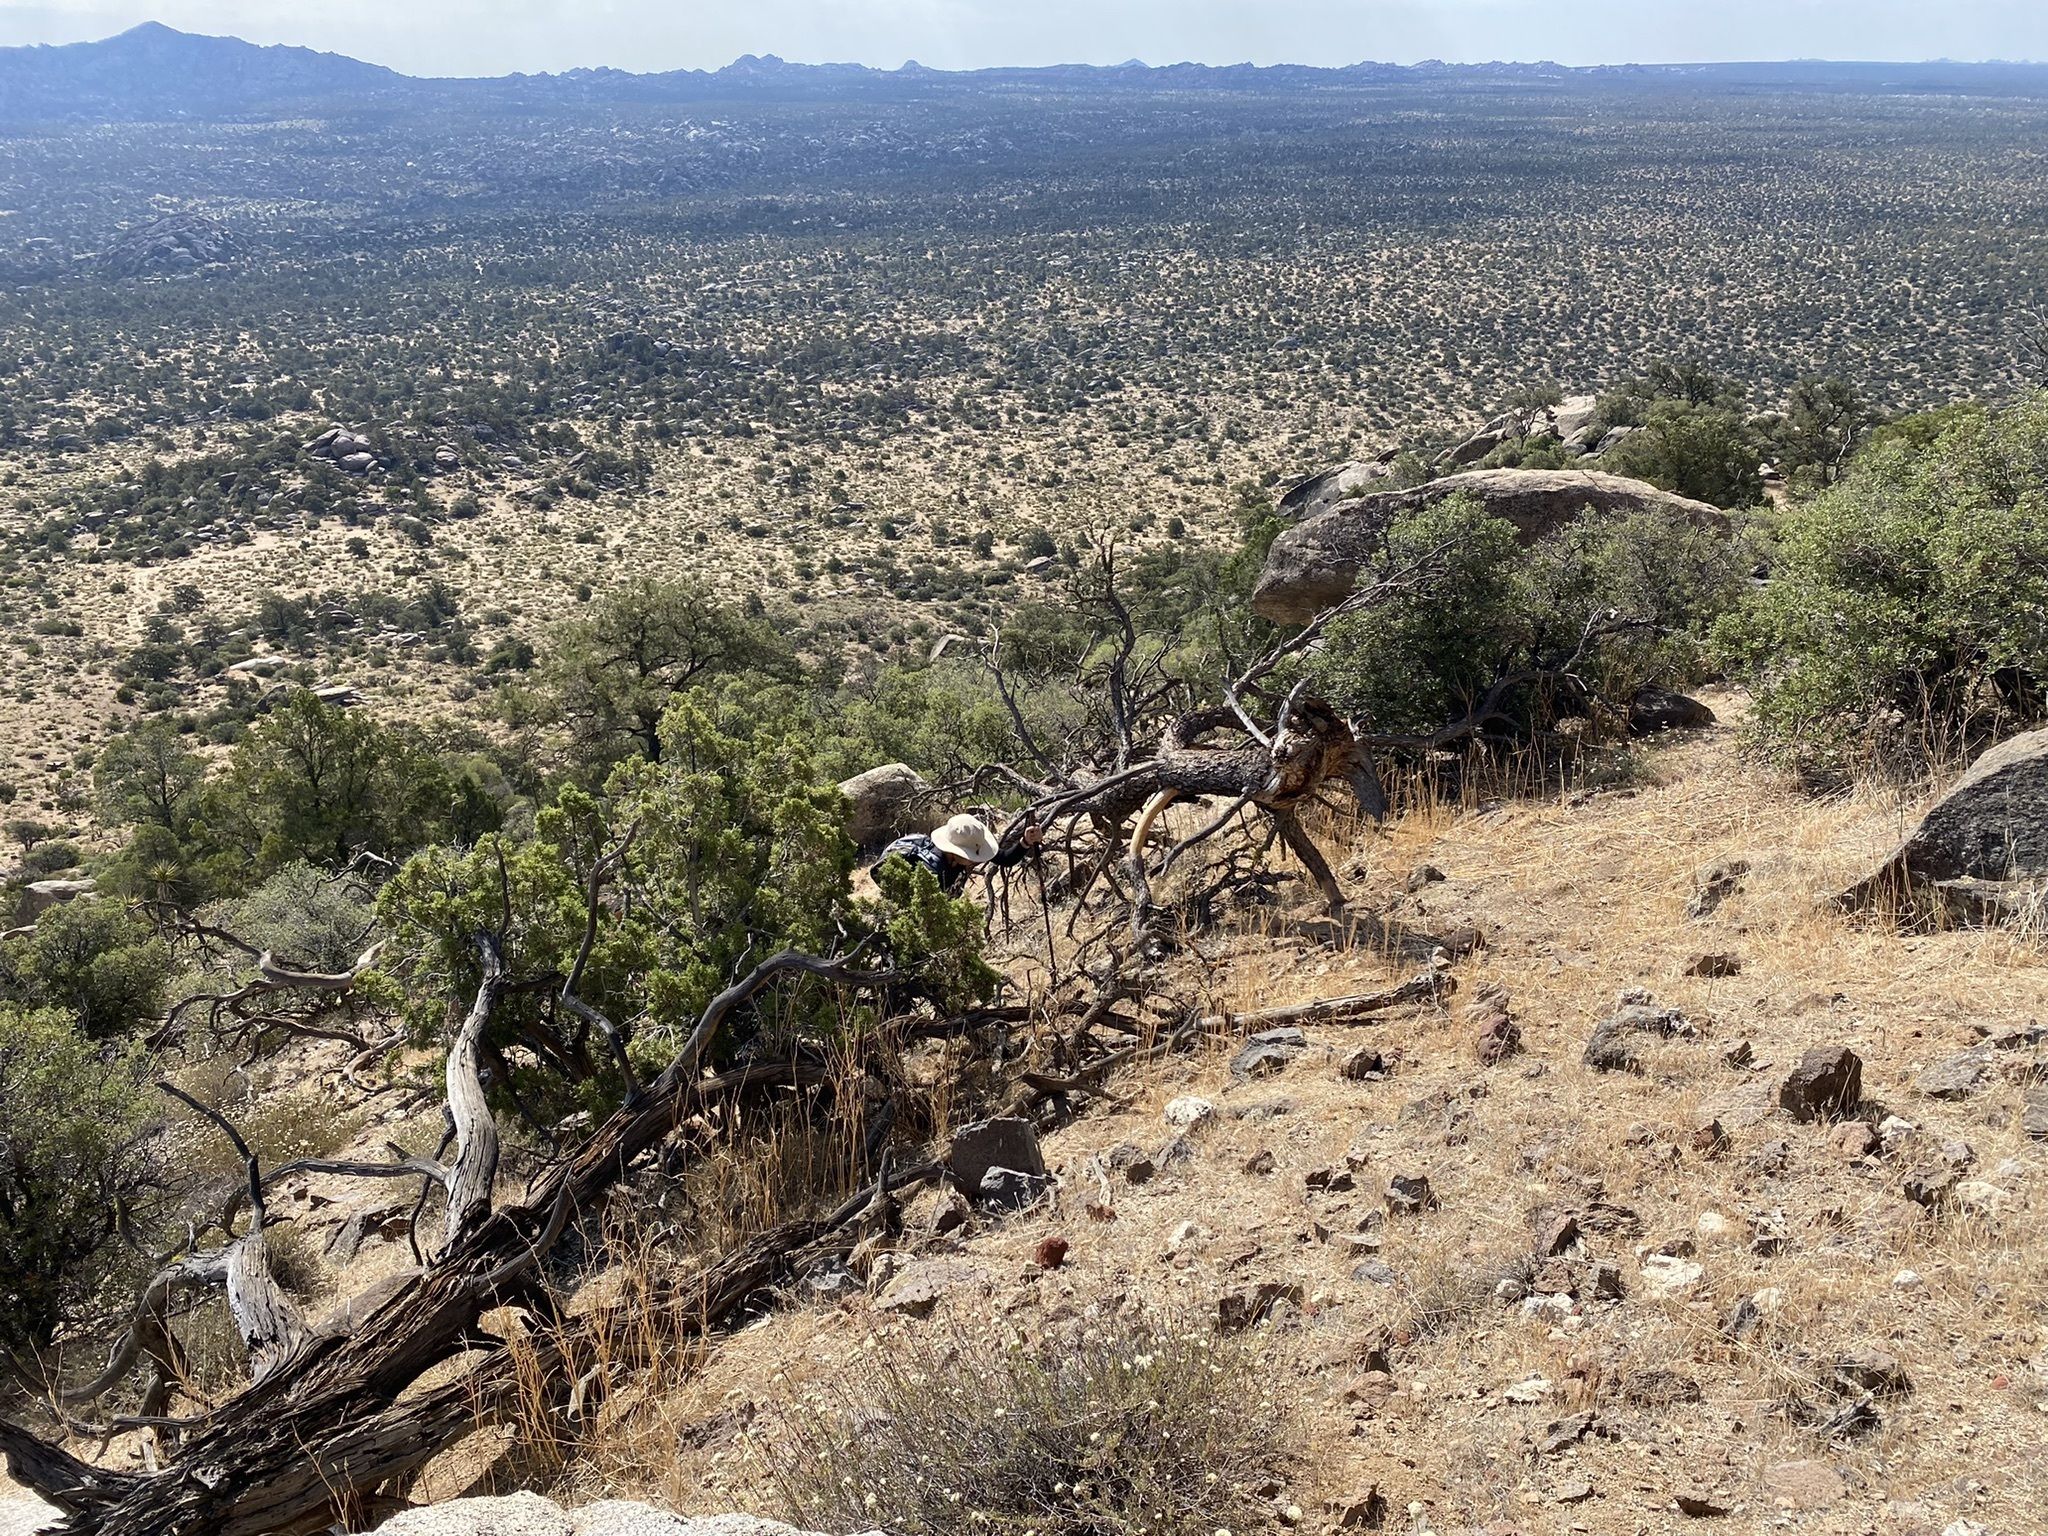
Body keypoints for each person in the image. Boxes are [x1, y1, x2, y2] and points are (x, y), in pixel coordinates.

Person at [879, 813, 1038, 895]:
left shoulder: (965, 849)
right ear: (954, 852)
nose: (975, 860)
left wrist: (1026, 841)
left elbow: (1005, 859)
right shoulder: (931, 872)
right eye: (970, 856)